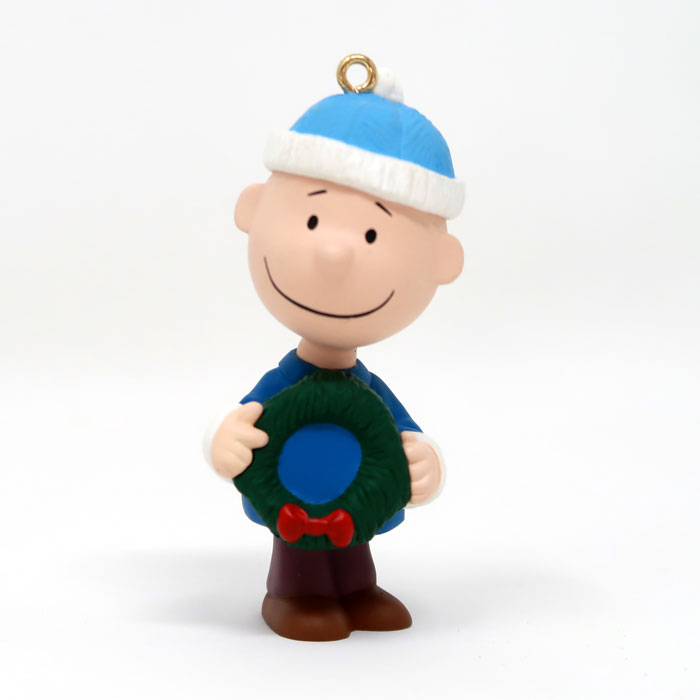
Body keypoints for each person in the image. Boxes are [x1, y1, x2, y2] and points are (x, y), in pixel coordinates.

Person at [203, 56, 465, 641]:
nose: (335, 254)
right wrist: (222, 441)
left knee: (354, 539)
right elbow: (245, 417)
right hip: (291, 500)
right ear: (253, 209)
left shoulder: (367, 392)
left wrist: (427, 461)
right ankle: (293, 593)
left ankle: (355, 589)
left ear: (443, 263)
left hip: (355, 500)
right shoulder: (285, 383)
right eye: (313, 219)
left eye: (372, 234)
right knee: (300, 550)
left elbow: (401, 432)